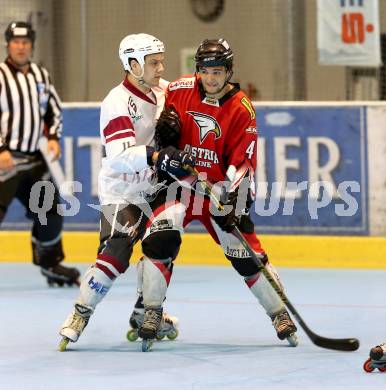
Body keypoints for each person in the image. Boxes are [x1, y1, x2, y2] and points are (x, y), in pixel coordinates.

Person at [134, 38, 298, 349]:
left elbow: (244, 160)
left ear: (229, 71)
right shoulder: (180, 89)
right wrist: (164, 138)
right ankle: (151, 311)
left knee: (246, 256)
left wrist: (235, 197)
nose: (211, 78)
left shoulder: (242, 109)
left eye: (218, 71)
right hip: (178, 185)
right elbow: (157, 129)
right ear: (198, 70)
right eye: (206, 71)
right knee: (160, 239)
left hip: (217, 191)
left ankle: (279, 313)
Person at [58, 33, 195, 350]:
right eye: (153, 62)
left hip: (159, 187)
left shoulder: (164, 92)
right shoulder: (116, 101)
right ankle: (80, 313)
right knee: (118, 252)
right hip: (123, 191)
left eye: (161, 60)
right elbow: (120, 156)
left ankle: (143, 313)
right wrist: (159, 156)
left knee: (166, 240)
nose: (161, 68)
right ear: (133, 65)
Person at [0, 21, 80, 286]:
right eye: (15, 42)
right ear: (8, 44)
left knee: (50, 212)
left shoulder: (40, 75)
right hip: (4, 161)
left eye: (25, 42)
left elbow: (53, 111)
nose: (21, 47)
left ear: (32, 45)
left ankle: (50, 264)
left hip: (35, 160)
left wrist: (54, 138)